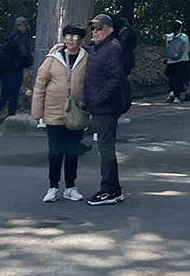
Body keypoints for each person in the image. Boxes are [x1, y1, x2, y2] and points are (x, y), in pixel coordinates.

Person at [31, 24, 88, 203]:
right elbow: (40, 85)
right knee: (55, 151)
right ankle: (52, 186)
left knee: (72, 151)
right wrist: (37, 113)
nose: (70, 39)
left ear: (81, 40)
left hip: (77, 112)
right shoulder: (53, 58)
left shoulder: (87, 58)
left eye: (75, 36)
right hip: (53, 110)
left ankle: (71, 186)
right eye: (68, 36)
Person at [84, 13, 126, 205]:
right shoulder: (96, 47)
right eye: (93, 28)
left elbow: (115, 79)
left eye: (99, 28)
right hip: (100, 106)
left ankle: (108, 189)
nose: (95, 32)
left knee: (106, 148)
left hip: (107, 108)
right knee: (105, 147)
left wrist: (98, 98)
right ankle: (114, 189)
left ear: (109, 30)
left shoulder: (112, 48)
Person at [0, 15, 34, 127]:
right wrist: (29, 61)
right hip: (15, 68)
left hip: (4, 68)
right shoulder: (21, 37)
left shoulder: (7, 35)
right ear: (23, 25)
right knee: (14, 93)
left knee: (5, 92)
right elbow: (24, 54)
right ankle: (11, 118)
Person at [164, 20, 190, 102]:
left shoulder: (169, 37)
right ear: (181, 28)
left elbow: (167, 48)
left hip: (171, 61)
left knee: (172, 78)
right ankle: (177, 96)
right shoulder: (184, 37)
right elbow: (187, 48)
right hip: (182, 61)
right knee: (179, 79)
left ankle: (171, 93)